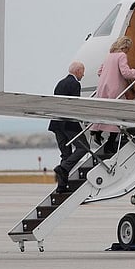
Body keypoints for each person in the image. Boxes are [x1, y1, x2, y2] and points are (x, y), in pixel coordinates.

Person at [90, 36, 135, 153]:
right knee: (117, 116)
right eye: (128, 49)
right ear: (125, 47)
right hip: (114, 89)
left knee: (105, 112)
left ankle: (96, 131)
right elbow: (126, 73)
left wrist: (109, 75)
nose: (128, 51)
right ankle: (109, 145)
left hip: (102, 87)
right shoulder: (121, 56)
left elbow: (99, 72)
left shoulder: (109, 56)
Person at [48, 61, 89, 193]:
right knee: (84, 147)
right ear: (77, 71)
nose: (83, 74)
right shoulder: (75, 84)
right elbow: (74, 105)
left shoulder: (60, 83)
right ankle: (64, 168)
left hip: (56, 123)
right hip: (68, 123)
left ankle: (61, 186)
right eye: (82, 71)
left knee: (65, 154)